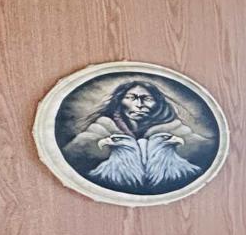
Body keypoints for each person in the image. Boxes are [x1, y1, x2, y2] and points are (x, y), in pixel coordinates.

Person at [63, 79, 205, 191]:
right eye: (131, 98)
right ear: (119, 101)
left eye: (147, 99)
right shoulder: (99, 131)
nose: (139, 104)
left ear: (158, 104)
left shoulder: (178, 132)